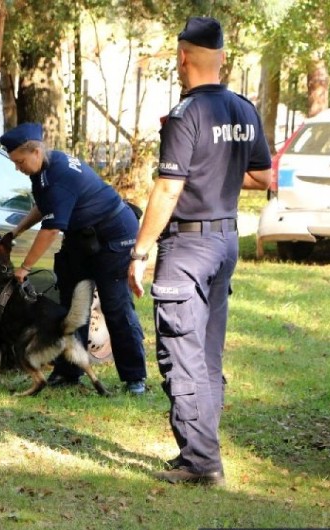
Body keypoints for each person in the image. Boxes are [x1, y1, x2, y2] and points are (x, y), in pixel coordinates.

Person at [127, 17, 272, 485]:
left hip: (188, 246)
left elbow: (168, 190)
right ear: (223, 57)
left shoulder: (186, 115)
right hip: (226, 241)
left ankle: (201, 462)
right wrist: (220, 174)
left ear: (182, 58)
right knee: (206, 354)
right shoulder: (244, 110)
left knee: (180, 353)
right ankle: (203, 451)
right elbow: (263, 178)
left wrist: (140, 250)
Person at [0, 122, 148, 395]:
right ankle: (68, 371)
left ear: (34, 151)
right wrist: (16, 230)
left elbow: (52, 227)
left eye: (19, 161)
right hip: (82, 238)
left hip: (114, 236)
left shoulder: (58, 175)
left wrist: (25, 266)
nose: (17, 167)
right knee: (68, 307)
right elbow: (45, 207)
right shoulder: (44, 168)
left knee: (115, 306)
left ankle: (134, 378)